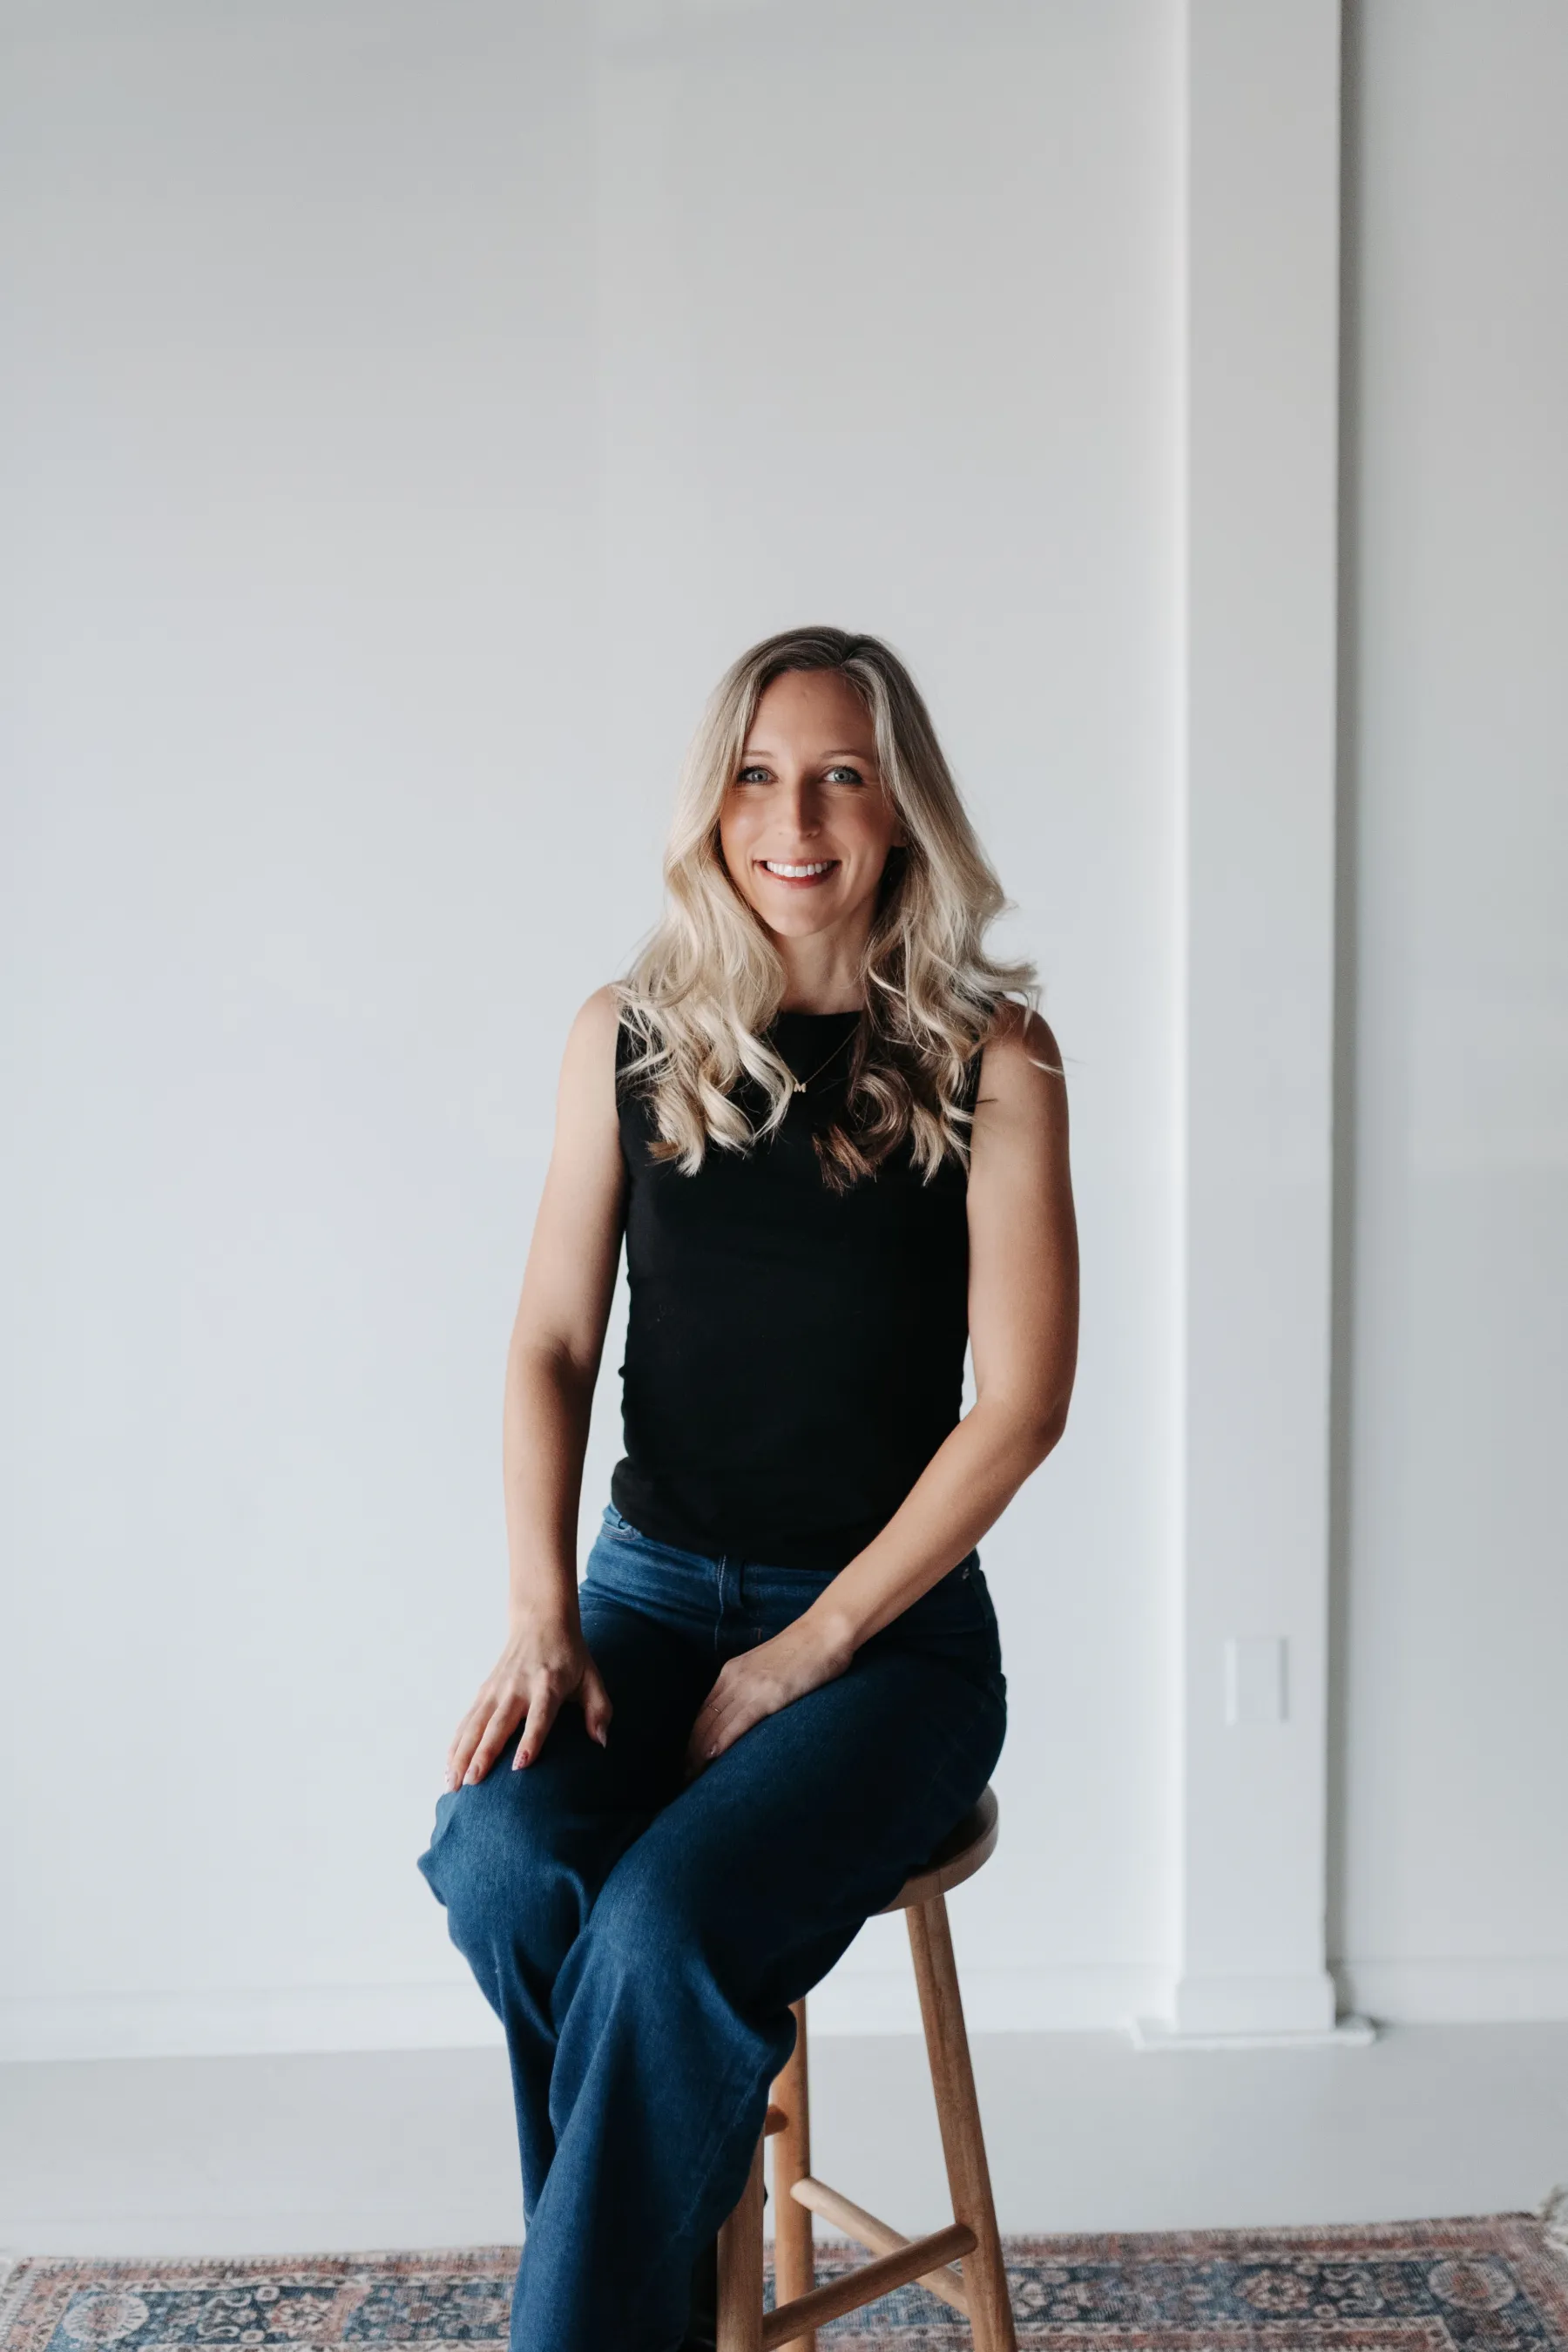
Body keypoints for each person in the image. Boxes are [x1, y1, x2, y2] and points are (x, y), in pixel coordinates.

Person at [416, 625, 1078, 2352]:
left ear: (902, 809)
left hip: (890, 1649)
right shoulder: (626, 1037)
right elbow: (553, 1343)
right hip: (644, 1598)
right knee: (498, 1858)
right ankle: (646, 2261)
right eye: (761, 772)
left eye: (843, 773)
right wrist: (542, 1615)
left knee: (658, 1938)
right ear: (715, 804)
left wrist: (809, 1651)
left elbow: (1020, 1408)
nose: (798, 815)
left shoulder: (996, 1056)